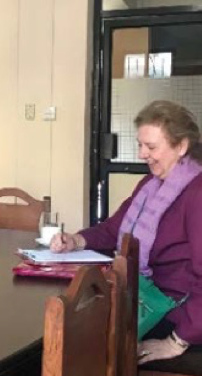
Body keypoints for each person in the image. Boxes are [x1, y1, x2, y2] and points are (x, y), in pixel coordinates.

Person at [51, 101, 202, 373]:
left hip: (175, 312)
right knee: (80, 322)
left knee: (83, 335)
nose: (143, 154)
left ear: (181, 146)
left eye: (152, 147)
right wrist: (75, 240)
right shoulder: (150, 184)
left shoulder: (197, 192)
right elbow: (113, 229)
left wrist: (176, 342)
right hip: (143, 296)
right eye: (140, 145)